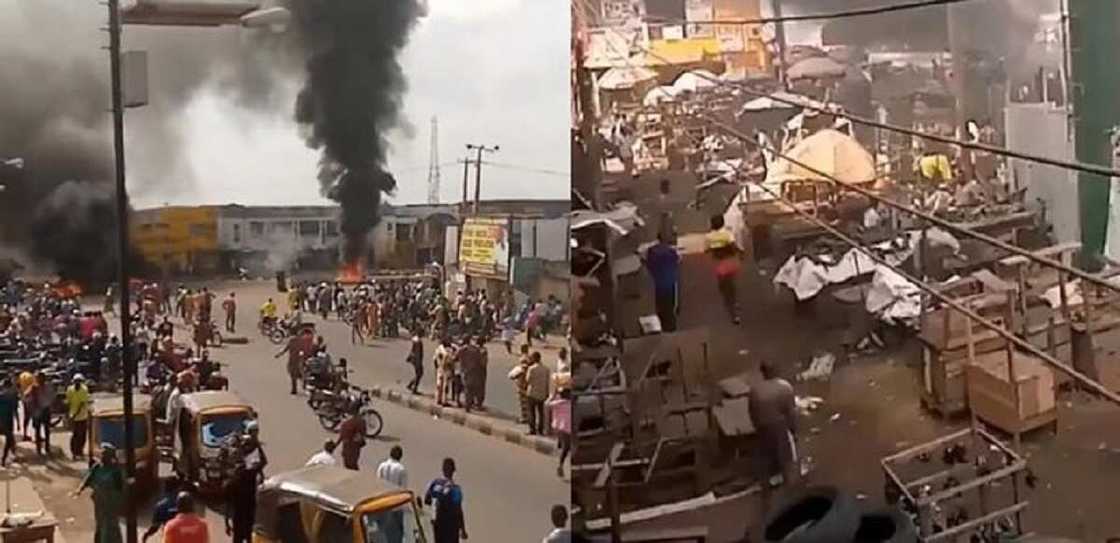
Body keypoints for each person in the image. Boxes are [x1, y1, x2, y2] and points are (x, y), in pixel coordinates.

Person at [748, 361, 799, 488]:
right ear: (776, 370)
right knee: (785, 458)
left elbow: (752, 413)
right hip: (779, 426)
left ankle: (766, 487)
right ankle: (789, 487)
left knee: (765, 458)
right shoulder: (785, 387)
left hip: (762, 427)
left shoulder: (755, 390)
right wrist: (794, 431)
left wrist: (758, 428)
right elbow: (791, 413)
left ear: (762, 372)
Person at [74, 445, 125, 543]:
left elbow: (120, 489)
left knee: (110, 525)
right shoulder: (97, 467)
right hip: (99, 501)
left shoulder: (115, 471)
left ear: (110, 457)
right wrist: (80, 489)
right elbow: (88, 478)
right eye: (102, 454)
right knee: (100, 524)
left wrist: (118, 502)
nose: (102, 456)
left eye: (104, 454)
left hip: (110, 503)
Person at [706, 214, 741, 324]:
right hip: (730, 262)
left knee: (723, 285)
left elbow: (706, 249)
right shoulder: (727, 234)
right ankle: (734, 305)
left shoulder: (709, 237)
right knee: (731, 283)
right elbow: (734, 246)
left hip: (719, 264)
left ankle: (729, 302)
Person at [644, 230, 681, 332]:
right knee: (671, 308)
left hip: (658, 283)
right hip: (670, 283)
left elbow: (648, 264)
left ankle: (663, 326)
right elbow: (676, 262)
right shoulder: (671, 252)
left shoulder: (652, 251)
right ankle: (671, 328)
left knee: (661, 307)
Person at [424, 458, 467, 543]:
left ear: (442, 469)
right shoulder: (455, 489)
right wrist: (463, 529)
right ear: (453, 471)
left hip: (438, 523)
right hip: (451, 527)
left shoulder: (435, 483)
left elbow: (426, 500)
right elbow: (458, 510)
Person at [224, 463, 258, 543]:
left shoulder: (232, 484)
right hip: (249, 520)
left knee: (237, 539)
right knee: (249, 538)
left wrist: (227, 524)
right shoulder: (251, 484)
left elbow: (228, 505)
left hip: (238, 520)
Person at [142, 477, 181, 543]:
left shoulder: (161, 506)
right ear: (178, 488)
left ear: (165, 488)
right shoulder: (186, 502)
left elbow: (155, 527)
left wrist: (146, 535)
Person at [66, 373, 92, 460]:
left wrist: (74, 414)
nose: (77, 383)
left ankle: (79, 451)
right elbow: (69, 402)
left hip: (81, 415)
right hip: (75, 415)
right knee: (76, 435)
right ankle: (74, 452)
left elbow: (82, 404)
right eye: (76, 381)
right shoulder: (70, 390)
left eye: (79, 381)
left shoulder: (84, 389)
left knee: (82, 435)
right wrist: (70, 415)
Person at [547, 387, 571, 478]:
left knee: (567, 447)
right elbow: (547, 404)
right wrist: (553, 396)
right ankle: (560, 466)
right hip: (564, 428)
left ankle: (561, 464)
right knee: (566, 448)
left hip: (567, 428)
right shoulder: (559, 403)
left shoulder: (569, 403)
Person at [525, 352, 551, 435]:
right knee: (541, 413)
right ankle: (540, 429)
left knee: (531, 412)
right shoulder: (546, 369)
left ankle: (532, 429)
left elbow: (527, 380)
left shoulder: (531, 369)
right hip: (542, 393)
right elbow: (547, 382)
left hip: (532, 393)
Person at [336, 402, 366, 470]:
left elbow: (342, 435)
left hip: (349, 449)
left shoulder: (348, 422)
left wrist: (336, 445)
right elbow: (362, 435)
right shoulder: (361, 422)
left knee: (350, 467)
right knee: (353, 465)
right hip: (355, 449)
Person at [30, 372, 53, 457]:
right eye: (38, 378)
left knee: (47, 430)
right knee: (38, 430)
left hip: (45, 410)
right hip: (38, 410)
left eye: (41, 378)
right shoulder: (34, 388)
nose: (40, 380)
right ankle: (39, 448)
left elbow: (51, 397)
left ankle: (46, 447)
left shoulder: (47, 387)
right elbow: (29, 398)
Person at [0, 378, 18, 466]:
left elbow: (14, 410)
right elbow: (15, 411)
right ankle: (4, 458)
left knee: (9, 439)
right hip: (7, 421)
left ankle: (4, 458)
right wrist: (18, 422)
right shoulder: (12, 397)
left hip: (6, 420)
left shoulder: (9, 397)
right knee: (9, 439)